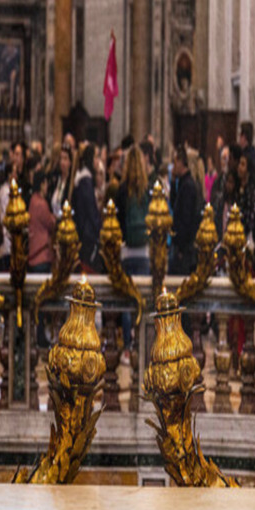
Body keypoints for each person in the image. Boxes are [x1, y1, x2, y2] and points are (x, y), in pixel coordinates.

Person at [116, 145, 150, 361]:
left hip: (127, 250)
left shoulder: (122, 189)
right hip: (144, 251)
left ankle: (128, 347)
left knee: (127, 301)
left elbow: (117, 222)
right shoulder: (146, 189)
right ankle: (142, 342)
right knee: (142, 299)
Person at [169, 145, 201, 275]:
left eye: (174, 161)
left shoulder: (188, 186)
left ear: (181, 162)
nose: (172, 166)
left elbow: (186, 219)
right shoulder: (182, 183)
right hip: (179, 245)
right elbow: (174, 204)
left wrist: (181, 249)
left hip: (183, 249)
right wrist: (172, 181)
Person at [72, 142, 102, 273]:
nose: (98, 161)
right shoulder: (85, 182)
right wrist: (100, 230)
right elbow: (91, 213)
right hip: (87, 238)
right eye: (96, 157)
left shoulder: (84, 181)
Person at [49, 144, 75, 219]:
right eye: (61, 158)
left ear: (70, 162)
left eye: (65, 159)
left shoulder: (71, 183)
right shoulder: (55, 179)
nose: (62, 162)